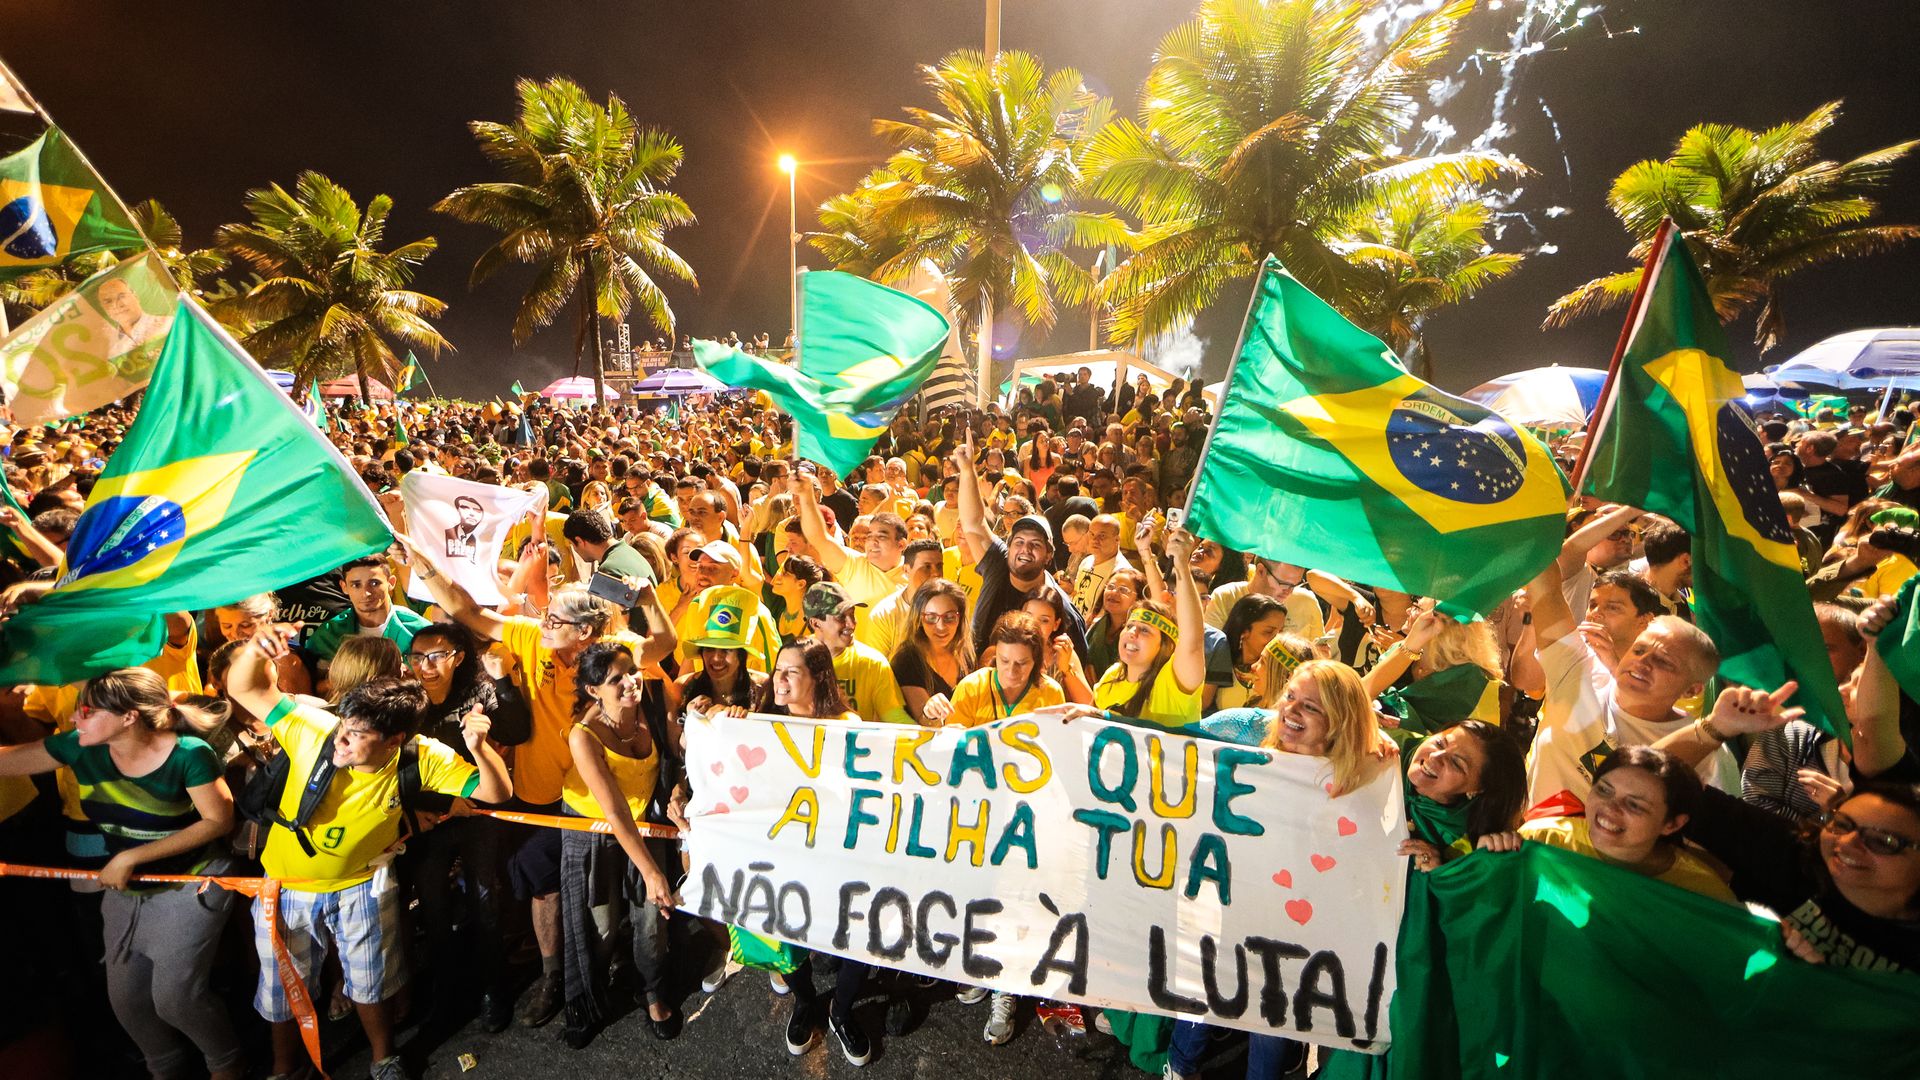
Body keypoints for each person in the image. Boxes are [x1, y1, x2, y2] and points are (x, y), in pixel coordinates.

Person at [399, 535, 674, 1029]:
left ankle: (615, 964)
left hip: (597, 799)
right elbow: (466, 611)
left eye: (555, 620)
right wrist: (425, 568)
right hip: (539, 793)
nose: (542, 622)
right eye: (545, 617)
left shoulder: (616, 653)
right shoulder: (529, 637)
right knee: (545, 889)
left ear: (587, 631)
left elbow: (665, 644)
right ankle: (552, 976)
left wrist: (650, 601)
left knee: (606, 890)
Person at [224, 632, 511, 1080]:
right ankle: (284, 1068)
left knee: (370, 981)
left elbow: (496, 792)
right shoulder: (313, 728)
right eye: (345, 727)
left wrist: (478, 748)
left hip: (362, 884)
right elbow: (244, 688)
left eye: (358, 736)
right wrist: (254, 650)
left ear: (395, 741)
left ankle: (383, 1058)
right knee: (283, 986)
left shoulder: (424, 756)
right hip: (286, 887)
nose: (341, 741)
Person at [0, 670, 244, 1080]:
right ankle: (165, 1070)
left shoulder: (188, 754)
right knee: (127, 1002)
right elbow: (7, 761)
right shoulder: (81, 746)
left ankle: (228, 1065)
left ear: (129, 716)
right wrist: (128, 863)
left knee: (176, 998)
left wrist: (132, 856)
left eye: (87, 711)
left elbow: (219, 821)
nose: (74, 719)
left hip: (191, 881)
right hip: (127, 888)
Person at [400, 621, 532, 1032]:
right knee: (434, 906)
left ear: (458, 658)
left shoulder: (478, 692)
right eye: (417, 657)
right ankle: (445, 992)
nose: (425, 666)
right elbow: (396, 767)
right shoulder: (406, 700)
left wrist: (503, 683)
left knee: (485, 898)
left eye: (435, 656)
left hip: (479, 813)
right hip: (430, 818)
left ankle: (494, 988)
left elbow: (517, 731)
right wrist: (435, 806)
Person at [753, 640, 874, 1064]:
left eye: (792, 672)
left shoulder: (847, 724)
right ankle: (806, 1001)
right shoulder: (760, 723)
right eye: (778, 670)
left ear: (818, 678)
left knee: (857, 936)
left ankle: (841, 1011)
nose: (780, 680)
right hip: (785, 856)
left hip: (837, 856)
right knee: (784, 936)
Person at [558, 642, 682, 1047]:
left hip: (642, 821)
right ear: (593, 691)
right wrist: (652, 872)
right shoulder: (584, 735)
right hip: (591, 829)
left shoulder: (656, 698)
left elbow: (679, 750)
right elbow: (613, 812)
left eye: (632, 670)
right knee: (602, 924)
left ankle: (652, 993)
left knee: (652, 919)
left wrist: (680, 785)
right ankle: (589, 999)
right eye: (616, 679)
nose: (631, 682)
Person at [1497, 747, 1738, 902]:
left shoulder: (1703, 893)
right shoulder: (1541, 838)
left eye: (1634, 805)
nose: (1610, 808)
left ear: (1672, 824)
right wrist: (1491, 852)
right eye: (1604, 790)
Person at [953, 433, 1088, 658]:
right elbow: (973, 523)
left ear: (1048, 555)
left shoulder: (1060, 609)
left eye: (1035, 544)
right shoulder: (999, 562)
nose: (1025, 549)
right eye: (1019, 542)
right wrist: (967, 470)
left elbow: (1078, 666)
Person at [304, 555, 433, 679]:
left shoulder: (419, 631)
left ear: (391, 582)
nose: (366, 593)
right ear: (344, 587)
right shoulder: (328, 634)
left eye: (374, 583)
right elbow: (315, 685)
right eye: (356, 585)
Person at [801, 582, 913, 724]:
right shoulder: (795, 658)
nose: (852, 624)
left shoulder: (873, 663)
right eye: (841, 617)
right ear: (815, 623)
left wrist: (929, 730)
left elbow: (896, 719)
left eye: (852, 614)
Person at [937, 613, 1064, 731]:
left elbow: (1056, 740)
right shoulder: (971, 688)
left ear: (1035, 660)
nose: (1011, 671)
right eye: (1004, 660)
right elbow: (952, 740)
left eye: (1021, 663)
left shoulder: (1051, 693)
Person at [891, 580, 973, 725]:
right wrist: (930, 712)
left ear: (960, 618)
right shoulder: (907, 660)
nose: (941, 626)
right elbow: (924, 721)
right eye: (931, 618)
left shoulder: (966, 653)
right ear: (918, 619)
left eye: (949, 617)